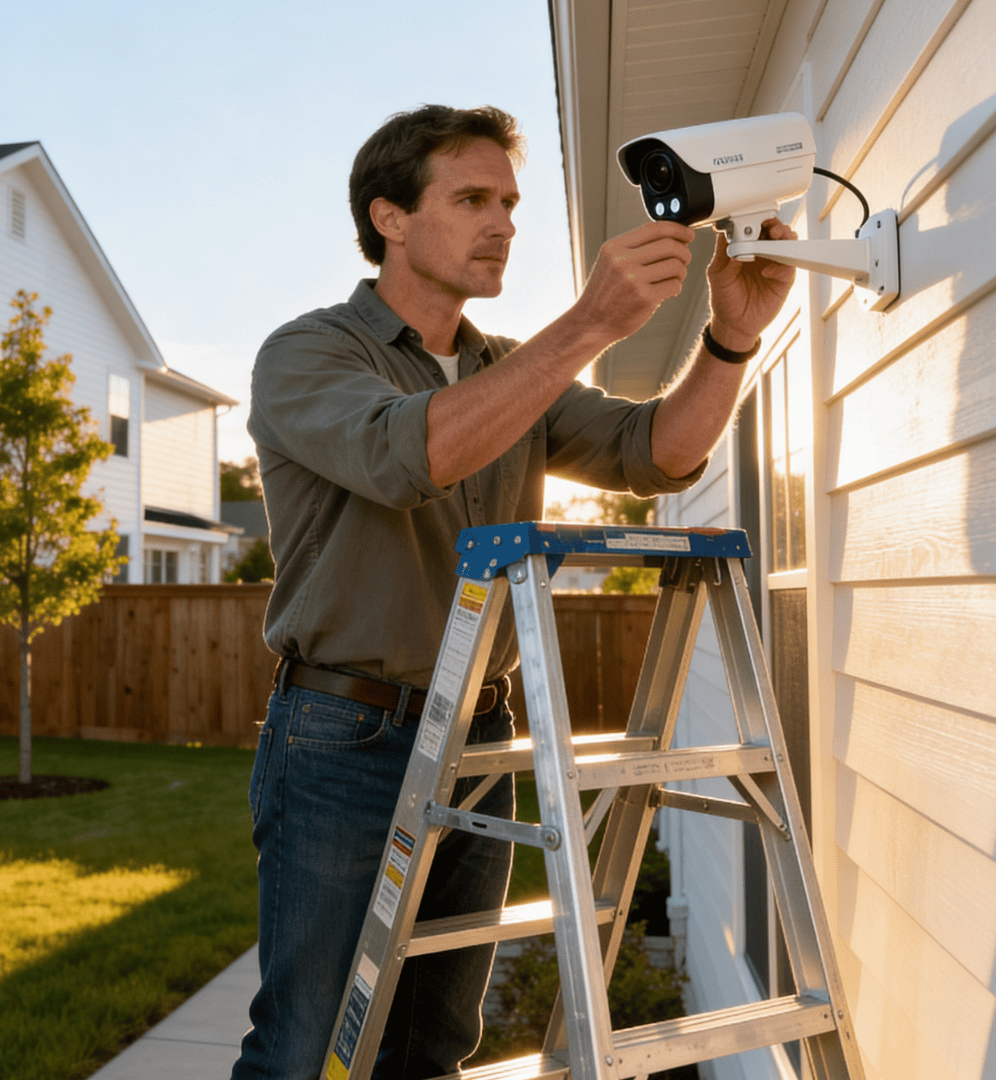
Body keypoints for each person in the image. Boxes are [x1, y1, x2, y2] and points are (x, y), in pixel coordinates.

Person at [232, 104, 795, 1080]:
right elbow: (418, 452)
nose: (503, 223)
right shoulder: (308, 355)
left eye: (510, 203)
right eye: (472, 199)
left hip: (477, 740)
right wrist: (588, 323)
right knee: (305, 1047)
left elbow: (653, 452)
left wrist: (731, 339)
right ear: (391, 218)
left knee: (434, 1045)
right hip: (343, 737)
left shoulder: (505, 370)